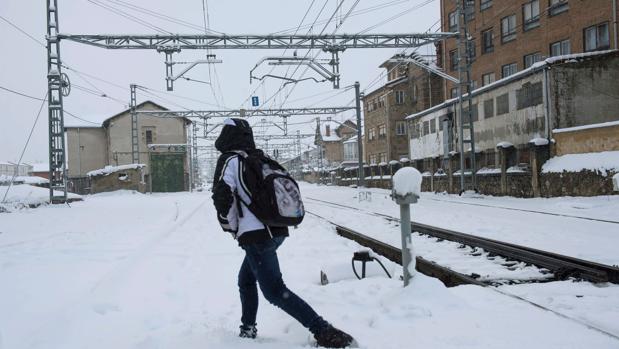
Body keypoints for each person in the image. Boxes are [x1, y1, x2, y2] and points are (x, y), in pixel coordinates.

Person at [211, 118, 355, 348]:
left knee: (275, 291)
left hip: (256, 236)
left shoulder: (230, 161)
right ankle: (248, 328)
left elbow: (222, 198)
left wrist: (231, 227)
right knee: (246, 280)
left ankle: (325, 332)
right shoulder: (259, 158)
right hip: (276, 230)